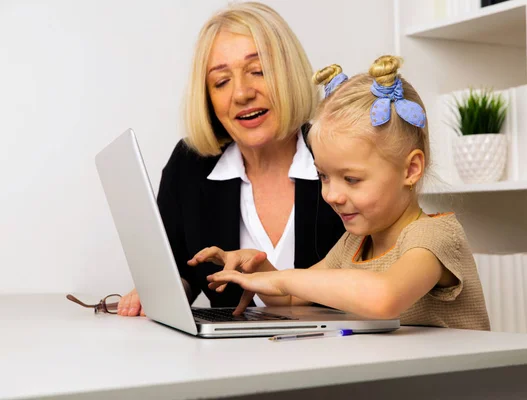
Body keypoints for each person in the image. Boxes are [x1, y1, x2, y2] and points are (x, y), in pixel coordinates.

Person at [194, 56, 491, 330]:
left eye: (351, 179)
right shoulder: (353, 245)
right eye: (324, 176)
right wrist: (261, 271)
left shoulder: (434, 237)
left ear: (411, 169)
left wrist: (283, 279)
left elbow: (384, 299)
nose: (332, 195)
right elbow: (293, 301)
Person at [116, 2, 345, 317]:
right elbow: (180, 273)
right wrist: (158, 293)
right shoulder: (190, 165)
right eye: (221, 82)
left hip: (341, 354)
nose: (241, 94)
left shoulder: (341, 156)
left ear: (290, 73)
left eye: (258, 71)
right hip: (227, 362)